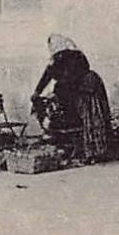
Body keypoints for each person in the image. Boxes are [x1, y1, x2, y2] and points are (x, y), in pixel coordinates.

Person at [33, 34, 112, 163]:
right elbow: (48, 74)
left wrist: (52, 93)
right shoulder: (63, 59)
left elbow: (69, 80)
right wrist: (37, 91)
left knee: (90, 120)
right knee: (89, 120)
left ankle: (92, 152)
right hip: (84, 89)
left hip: (88, 91)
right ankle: (90, 151)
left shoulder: (72, 58)